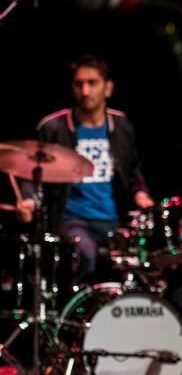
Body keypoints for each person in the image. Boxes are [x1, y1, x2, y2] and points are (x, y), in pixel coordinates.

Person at [16, 54, 154, 282]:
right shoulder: (54, 128)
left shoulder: (121, 126)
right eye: (79, 84)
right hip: (73, 221)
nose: (86, 91)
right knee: (85, 254)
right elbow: (32, 172)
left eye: (92, 83)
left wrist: (141, 194)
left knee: (148, 259)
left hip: (114, 220)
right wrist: (29, 200)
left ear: (108, 88)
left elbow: (133, 171)